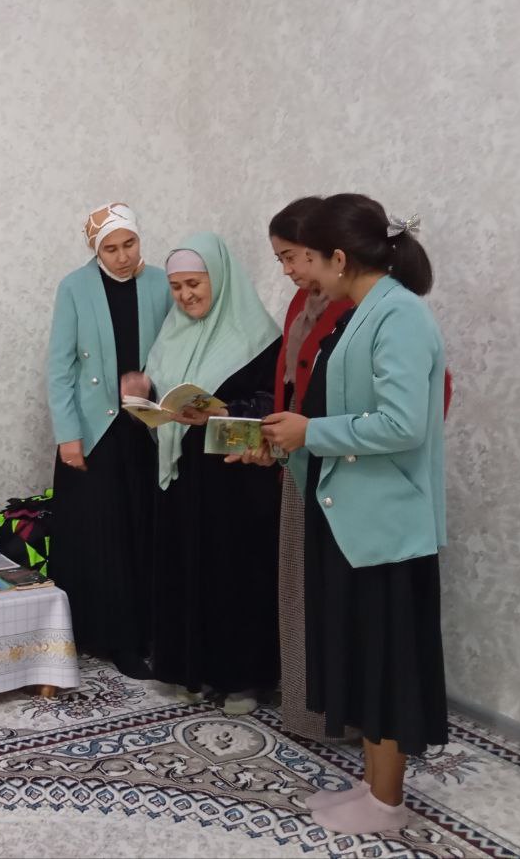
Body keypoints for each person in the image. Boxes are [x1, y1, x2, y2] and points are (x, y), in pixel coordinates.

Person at [262, 195, 447, 834]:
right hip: (350, 518)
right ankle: (373, 785)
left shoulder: (400, 315)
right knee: (363, 655)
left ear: (338, 257)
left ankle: (387, 802)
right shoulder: (361, 313)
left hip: (385, 528)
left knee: (385, 662)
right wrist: (284, 439)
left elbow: (401, 423)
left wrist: (310, 432)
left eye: (305, 259)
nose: (300, 273)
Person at [145, 232, 282, 713]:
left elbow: (276, 404)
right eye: (177, 287)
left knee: (235, 573)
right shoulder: (171, 334)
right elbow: (163, 397)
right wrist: (145, 398)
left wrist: (223, 411)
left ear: (219, 279)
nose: (185, 296)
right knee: (187, 568)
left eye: (194, 284)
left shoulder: (258, 337)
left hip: (237, 480)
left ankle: (242, 679)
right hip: (184, 475)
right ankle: (192, 668)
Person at [46, 203, 172, 678]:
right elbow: (60, 369)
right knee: (104, 537)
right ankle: (112, 639)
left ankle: (149, 633)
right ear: (96, 251)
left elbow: (174, 348)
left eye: (129, 244)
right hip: (93, 432)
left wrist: (152, 386)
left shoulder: (161, 283)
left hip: (146, 426)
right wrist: (68, 437)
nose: (122, 256)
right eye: (111, 248)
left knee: (144, 531)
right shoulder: (74, 287)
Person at [268, 199, 354, 740]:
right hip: (301, 454)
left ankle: (341, 715)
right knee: (299, 584)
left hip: (339, 461)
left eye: (291, 256)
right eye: (279, 259)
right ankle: (306, 709)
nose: (288, 270)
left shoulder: (361, 308)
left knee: (333, 592)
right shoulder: (303, 300)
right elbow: (290, 380)